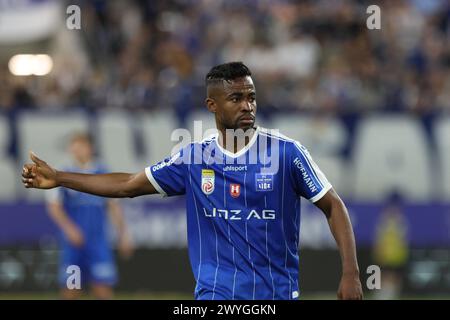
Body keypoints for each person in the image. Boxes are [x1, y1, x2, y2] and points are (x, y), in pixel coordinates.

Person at [22, 62, 362, 300]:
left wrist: (351, 273)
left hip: (275, 295)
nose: (248, 106)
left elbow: (333, 205)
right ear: (212, 105)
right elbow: (127, 185)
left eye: (252, 97)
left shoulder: (287, 154)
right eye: (237, 98)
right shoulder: (193, 159)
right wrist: (61, 178)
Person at [46, 133, 133, 299]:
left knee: (103, 289)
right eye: (74, 146)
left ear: (90, 148)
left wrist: (123, 234)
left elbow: (114, 206)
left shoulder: (102, 172)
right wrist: (70, 229)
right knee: (71, 290)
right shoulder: (62, 173)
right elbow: (54, 207)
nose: (77, 150)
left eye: (81, 146)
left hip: (98, 240)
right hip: (73, 242)